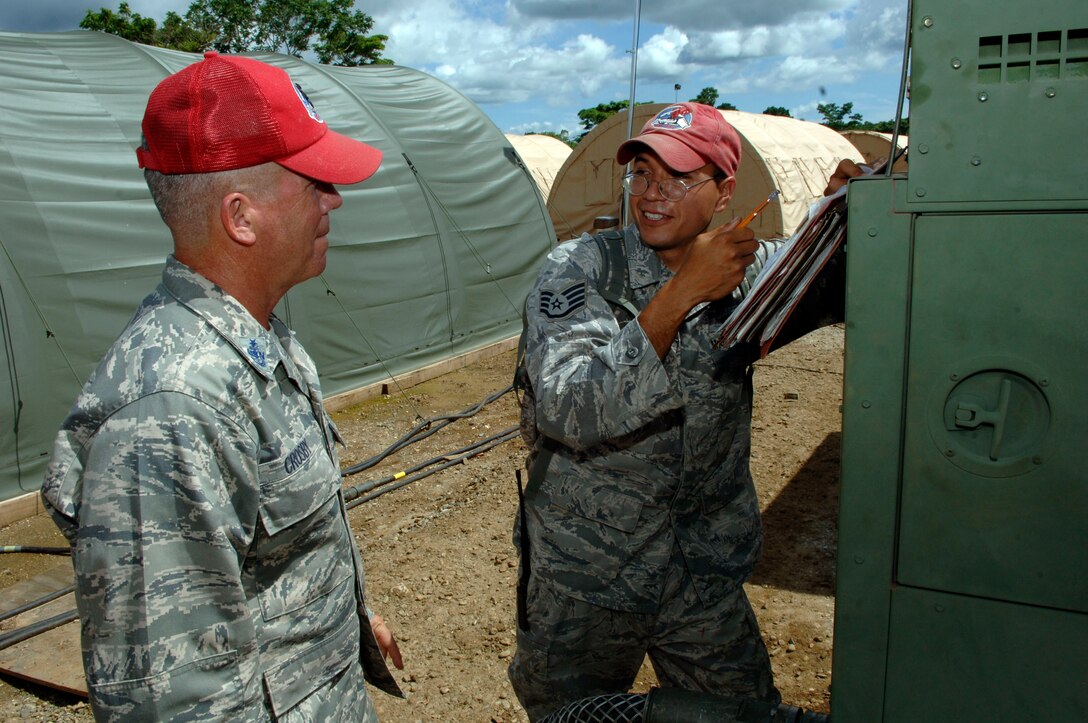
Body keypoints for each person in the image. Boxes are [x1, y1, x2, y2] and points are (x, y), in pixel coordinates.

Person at [41, 51, 403, 721]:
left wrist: (342, 620)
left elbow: (272, 552)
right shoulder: (168, 412)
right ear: (241, 217)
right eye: (315, 182)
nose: (335, 199)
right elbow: (175, 701)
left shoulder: (257, 342)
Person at [509, 102, 790, 719]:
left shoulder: (750, 271)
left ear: (724, 194)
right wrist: (684, 289)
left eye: (679, 178)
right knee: (570, 715)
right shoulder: (579, 269)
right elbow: (569, 410)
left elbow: (831, 274)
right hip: (589, 574)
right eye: (642, 174)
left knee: (743, 713)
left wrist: (850, 215)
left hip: (700, 570)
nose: (652, 194)